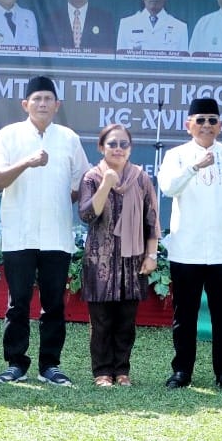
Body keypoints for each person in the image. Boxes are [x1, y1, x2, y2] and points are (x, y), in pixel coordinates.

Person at [0, 75, 89, 386]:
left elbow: (81, 185)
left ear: (57, 105)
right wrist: (26, 163)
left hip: (56, 235)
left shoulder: (69, 138)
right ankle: (16, 363)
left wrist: (56, 201)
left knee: (54, 304)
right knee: (17, 302)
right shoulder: (8, 136)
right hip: (20, 233)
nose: (42, 104)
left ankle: (50, 365)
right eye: (37, 99)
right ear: (25, 104)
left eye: (48, 99)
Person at [157, 97, 222, 391]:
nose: (206, 125)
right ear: (188, 125)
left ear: (220, 126)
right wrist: (194, 167)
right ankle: (181, 371)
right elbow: (168, 188)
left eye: (212, 120)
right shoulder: (176, 156)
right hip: (186, 249)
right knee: (184, 315)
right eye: (200, 120)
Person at [78, 124, 161, 387]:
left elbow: (151, 220)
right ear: (101, 147)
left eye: (123, 144)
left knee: (126, 321)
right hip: (100, 261)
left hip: (132, 261)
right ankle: (102, 372)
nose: (118, 149)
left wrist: (152, 255)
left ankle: (122, 370)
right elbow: (87, 215)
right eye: (112, 144)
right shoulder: (92, 177)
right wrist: (106, 185)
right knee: (101, 321)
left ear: (130, 148)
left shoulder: (140, 178)